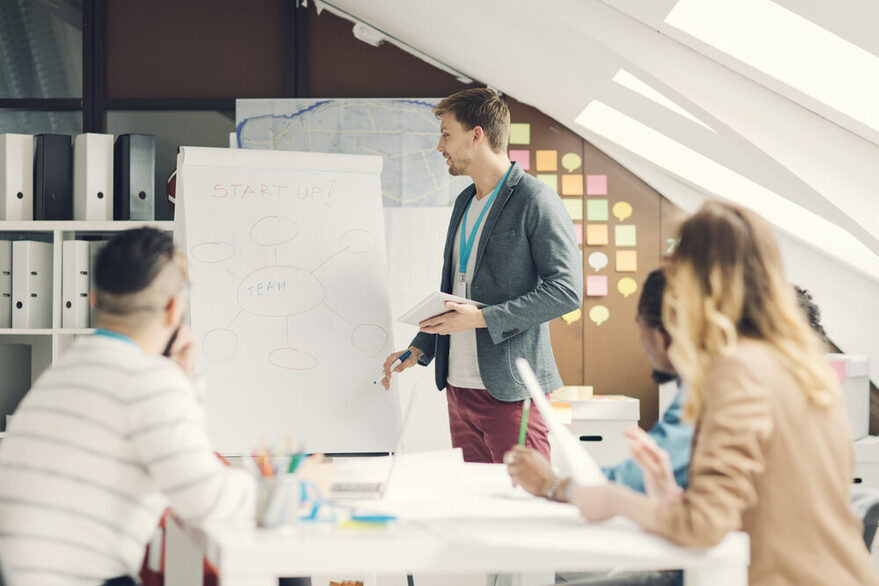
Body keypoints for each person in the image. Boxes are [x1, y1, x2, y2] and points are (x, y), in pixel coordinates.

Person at [508, 201, 879, 585]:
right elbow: (763, 504)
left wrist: (612, 501)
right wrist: (668, 493)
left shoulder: (738, 370)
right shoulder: (802, 366)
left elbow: (703, 527)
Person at [0, 228, 256, 586]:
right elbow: (205, 501)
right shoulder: (148, 381)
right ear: (173, 309)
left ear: (93, 300)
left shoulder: (65, 373)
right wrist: (296, 489)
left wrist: (180, 386)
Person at [381, 88, 582, 463]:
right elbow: (455, 289)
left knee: (524, 507)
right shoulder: (463, 201)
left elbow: (566, 291)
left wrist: (482, 318)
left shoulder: (535, 200)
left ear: (477, 135)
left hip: (511, 391)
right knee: (477, 505)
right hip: (458, 388)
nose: (439, 147)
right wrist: (421, 346)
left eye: (446, 134)